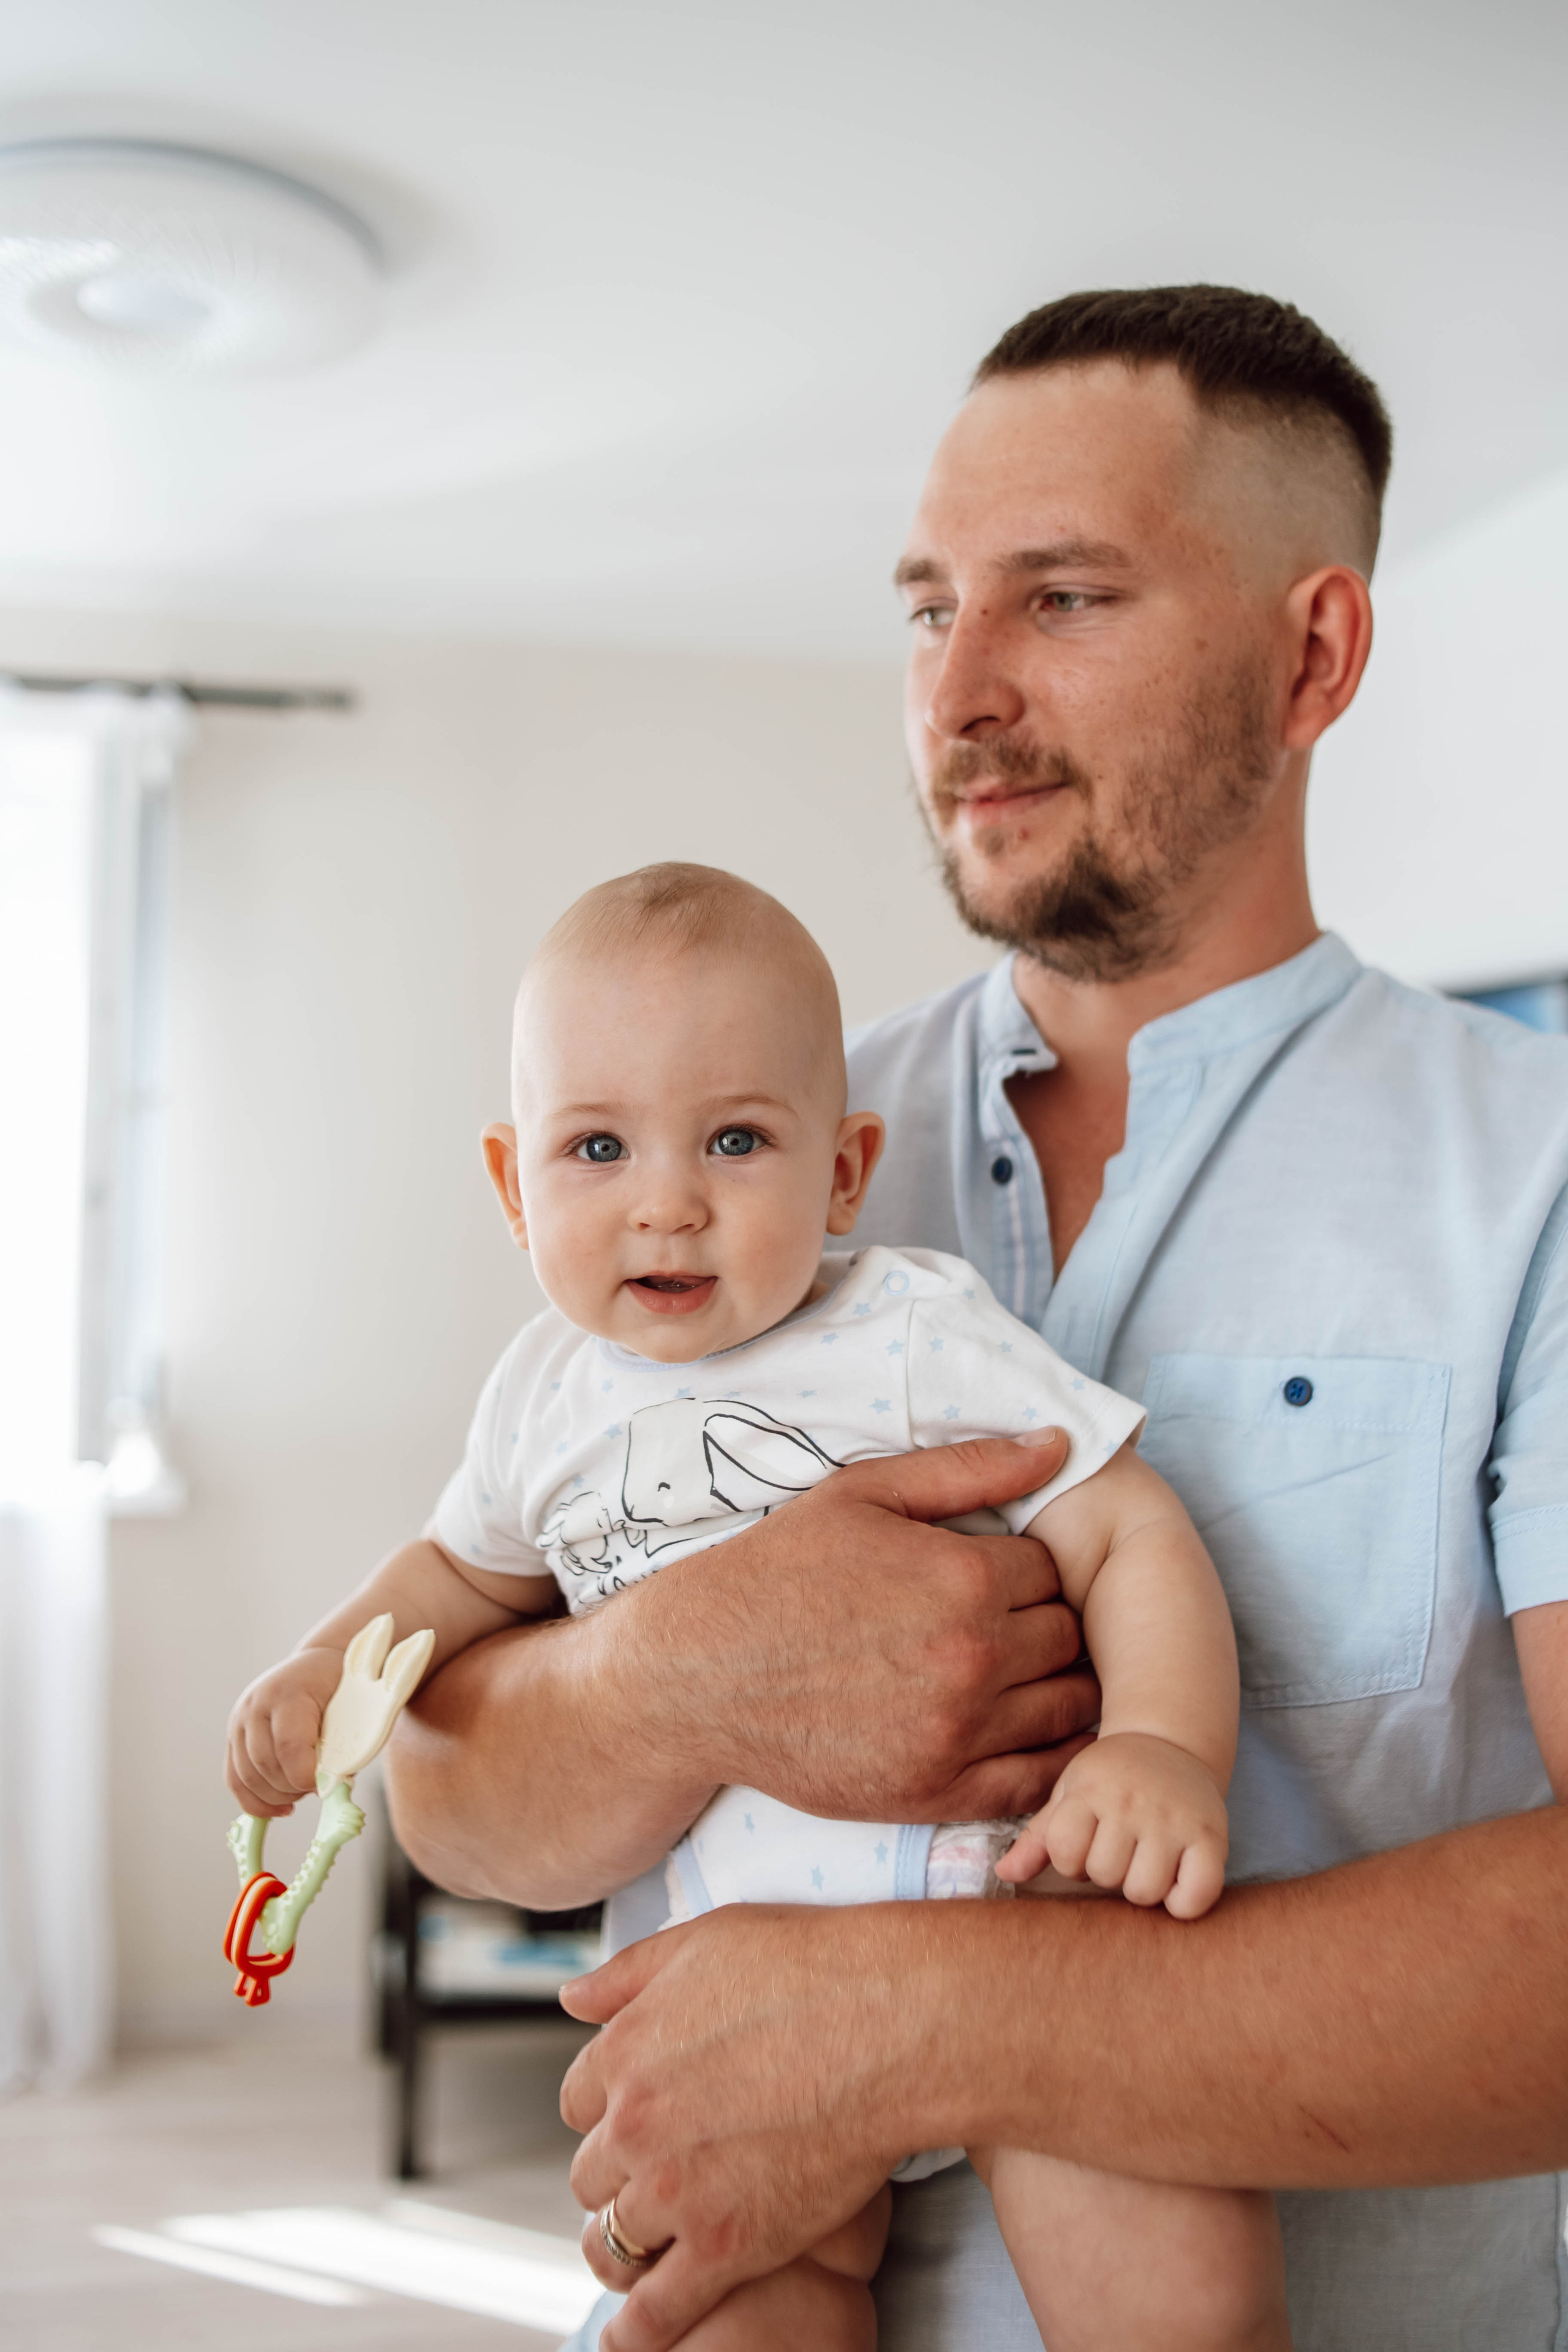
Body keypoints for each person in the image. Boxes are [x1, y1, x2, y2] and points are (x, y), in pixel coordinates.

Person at [385, 288, 1568, 2352]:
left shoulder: (1535, 1177)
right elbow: (445, 1792)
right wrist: (674, 1683)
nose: (962, 693)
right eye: (929, 608)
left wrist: (922, 2020)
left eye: (1064, 597)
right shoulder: (732, 1148)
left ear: (1317, 654)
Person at [227, 858, 1289, 2350]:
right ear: (508, 1184)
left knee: (1173, 2273)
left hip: (1022, 1929)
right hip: (722, 2017)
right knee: (732, 2309)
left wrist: (1164, 1750)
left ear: (842, 1172)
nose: (667, 1204)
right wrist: (321, 1674)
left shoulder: (908, 1327)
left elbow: (1126, 1529)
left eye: (734, 1140)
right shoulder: (538, 1404)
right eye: (594, 1148)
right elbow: (453, 1583)